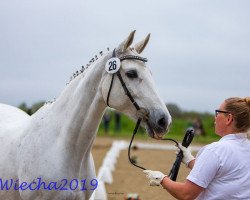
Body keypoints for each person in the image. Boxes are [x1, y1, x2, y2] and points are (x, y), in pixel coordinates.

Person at [144, 97, 250, 199]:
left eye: (218, 112)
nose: (215, 117)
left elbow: (186, 194)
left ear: (229, 118)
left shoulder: (215, 151)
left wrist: (161, 179)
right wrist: (190, 161)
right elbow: (223, 173)